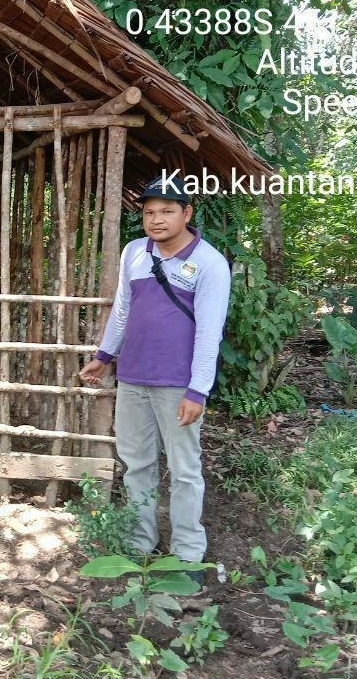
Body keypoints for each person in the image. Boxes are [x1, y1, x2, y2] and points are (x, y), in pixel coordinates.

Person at [79, 175, 231, 583]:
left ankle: (188, 555)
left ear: (187, 212)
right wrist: (104, 356)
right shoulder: (135, 252)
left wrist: (198, 390)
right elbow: (123, 310)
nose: (156, 220)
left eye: (167, 211)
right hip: (133, 376)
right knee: (136, 464)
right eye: (149, 212)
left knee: (184, 469)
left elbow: (209, 332)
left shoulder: (210, 263)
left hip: (179, 383)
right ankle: (139, 544)